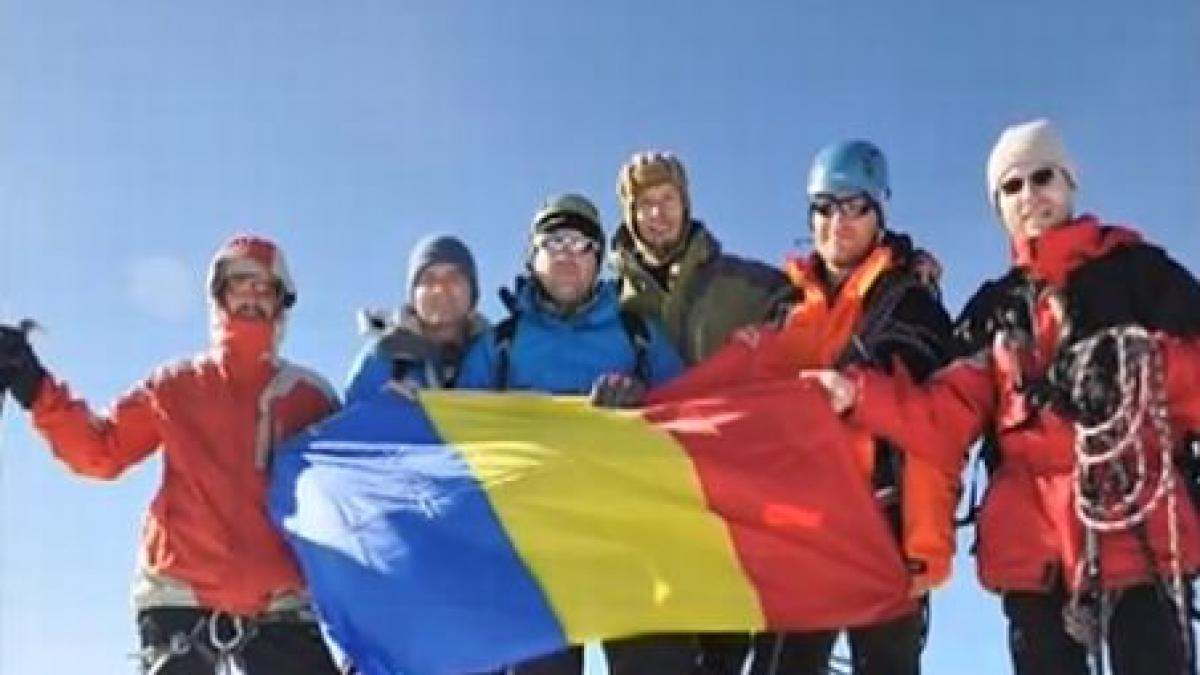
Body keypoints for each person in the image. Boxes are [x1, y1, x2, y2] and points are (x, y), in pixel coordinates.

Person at [805, 119, 1200, 675]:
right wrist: (857, 395)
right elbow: (943, 418)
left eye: (1043, 178)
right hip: (1034, 554)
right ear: (998, 206)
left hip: (1140, 537)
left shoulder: (1141, 274)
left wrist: (1139, 366)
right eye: (1011, 188)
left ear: (1069, 184)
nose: (1030, 197)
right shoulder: (993, 310)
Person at [0, 234, 342, 675]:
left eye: (265, 287)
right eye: (240, 283)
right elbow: (101, 452)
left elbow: (349, 499)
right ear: (219, 295)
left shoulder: (311, 397)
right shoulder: (177, 384)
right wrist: (35, 387)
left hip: (279, 599)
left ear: (282, 302)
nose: (252, 296)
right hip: (181, 591)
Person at [456, 192, 684, 675]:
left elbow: (691, 416)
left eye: (581, 243)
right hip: (533, 549)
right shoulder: (499, 346)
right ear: (532, 256)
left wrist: (644, 400)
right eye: (553, 241)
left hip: (630, 541)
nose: (566, 254)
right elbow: (454, 438)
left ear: (598, 260)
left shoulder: (637, 335)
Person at [609, 150, 795, 674]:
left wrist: (903, 261)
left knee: (723, 658)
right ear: (629, 214)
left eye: (668, 199)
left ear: (686, 203)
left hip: (727, 506)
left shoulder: (745, 284)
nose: (658, 214)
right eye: (645, 204)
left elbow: (823, 302)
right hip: (646, 512)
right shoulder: (612, 306)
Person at [344, 233, 487, 403]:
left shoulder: (500, 356)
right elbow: (351, 421)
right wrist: (386, 407)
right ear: (413, 297)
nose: (440, 289)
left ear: (473, 292)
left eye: (454, 277)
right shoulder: (378, 359)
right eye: (428, 279)